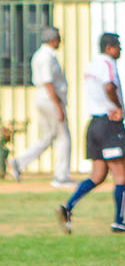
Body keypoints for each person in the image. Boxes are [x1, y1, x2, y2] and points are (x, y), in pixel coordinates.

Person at [59, 33, 125, 234]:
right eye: (118, 45)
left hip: (94, 125)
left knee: (98, 175)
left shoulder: (91, 65)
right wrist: (118, 106)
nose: (120, 49)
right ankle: (119, 221)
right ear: (109, 48)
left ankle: (68, 206)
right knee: (121, 175)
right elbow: (109, 86)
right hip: (109, 124)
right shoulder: (108, 63)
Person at [8, 26, 72, 187]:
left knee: (48, 137)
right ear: (53, 40)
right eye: (58, 39)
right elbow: (48, 82)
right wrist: (58, 107)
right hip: (50, 101)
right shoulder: (46, 57)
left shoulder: (42, 55)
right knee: (64, 138)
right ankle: (61, 176)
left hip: (45, 100)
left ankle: (20, 162)